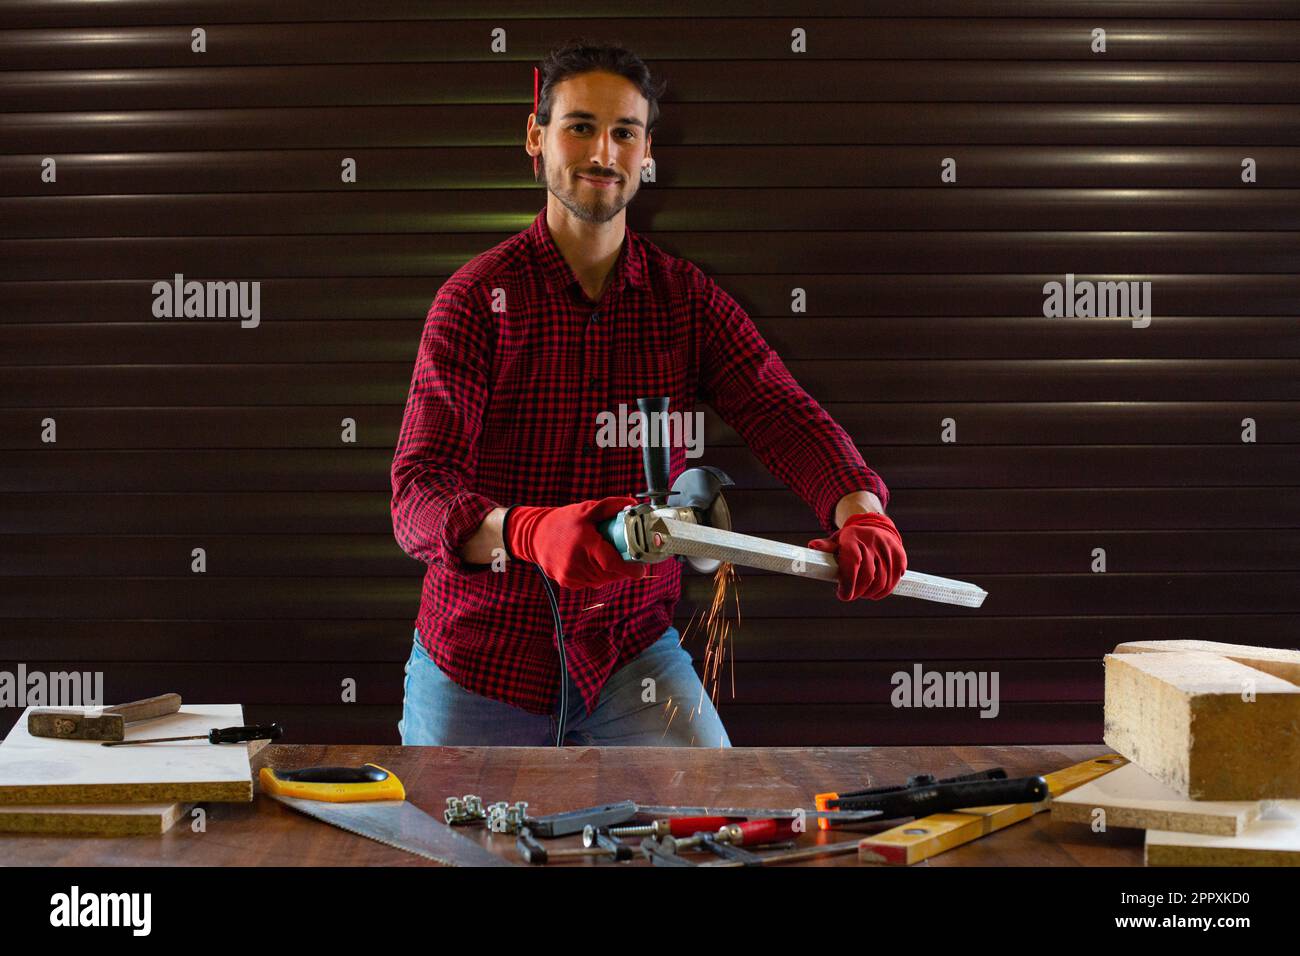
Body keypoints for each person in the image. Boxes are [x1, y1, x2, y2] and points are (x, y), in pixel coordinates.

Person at [391, 39, 906, 747]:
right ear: (536, 138)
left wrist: (859, 507)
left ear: (646, 151)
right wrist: (526, 532)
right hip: (480, 671)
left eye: (624, 132)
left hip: (630, 659)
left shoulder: (685, 300)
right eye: (580, 126)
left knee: (715, 831)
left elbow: (780, 410)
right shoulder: (476, 301)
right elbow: (417, 494)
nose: (603, 150)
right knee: (456, 855)